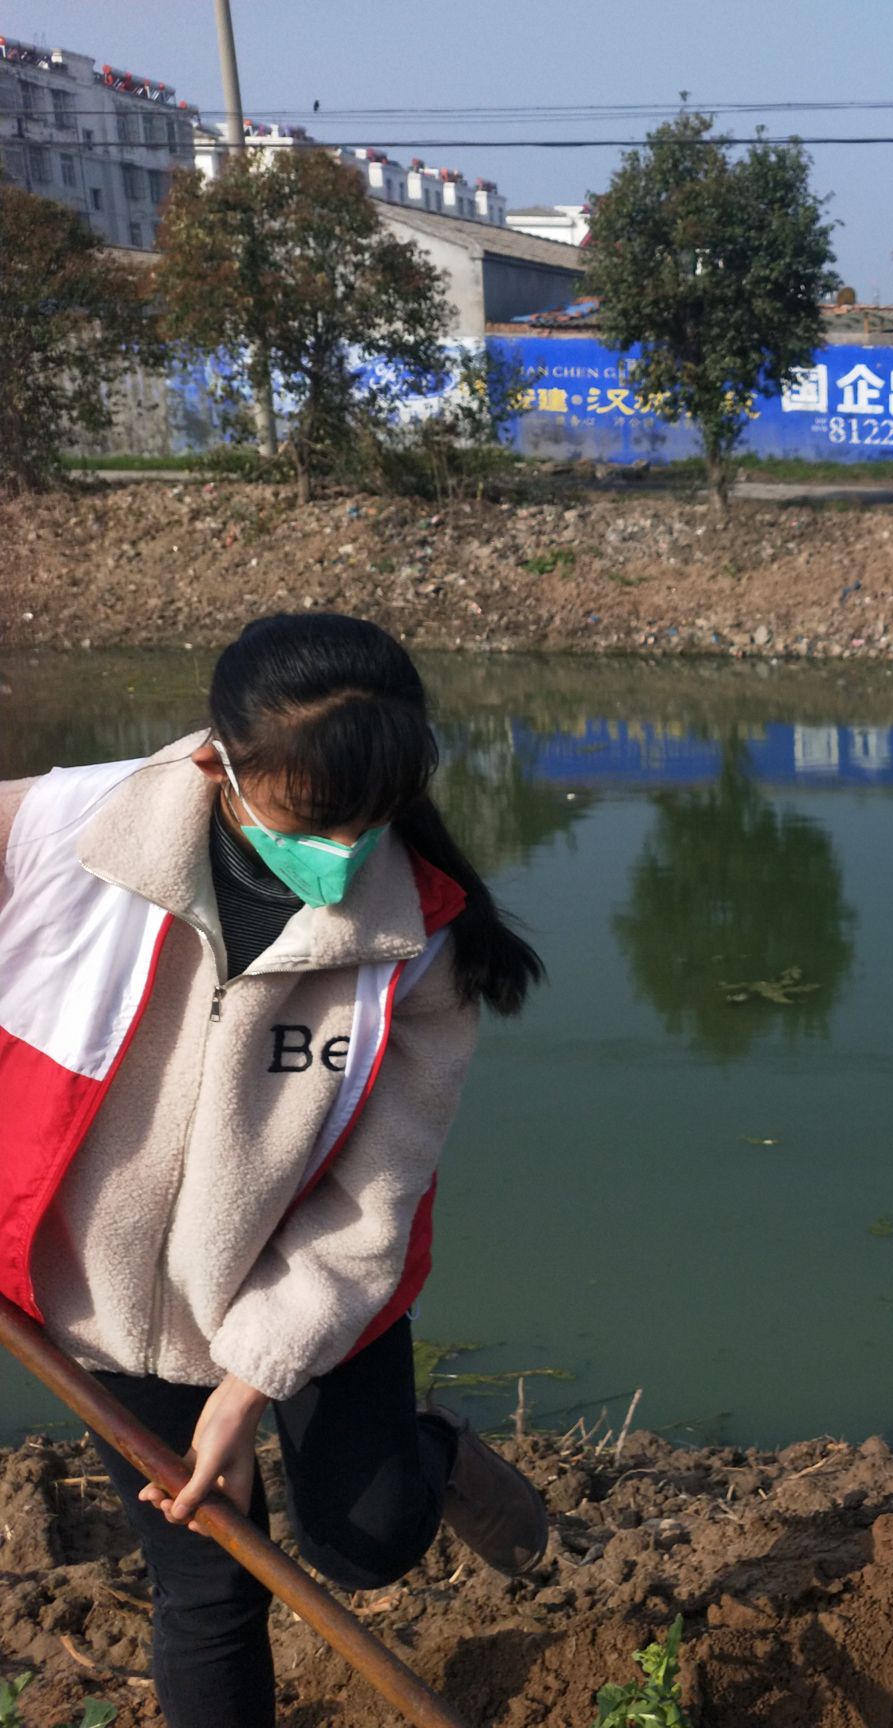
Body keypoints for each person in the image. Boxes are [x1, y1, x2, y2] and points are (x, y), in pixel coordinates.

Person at [0, 613, 551, 1728]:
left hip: (305, 1278)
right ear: (220, 768)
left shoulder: (421, 950)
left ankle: (434, 1455)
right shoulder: (52, 835)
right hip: (105, 1309)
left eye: (368, 821)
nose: (341, 854)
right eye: (312, 819)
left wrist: (246, 1387)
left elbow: (373, 1203)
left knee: (365, 1545)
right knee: (207, 1585)